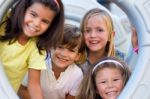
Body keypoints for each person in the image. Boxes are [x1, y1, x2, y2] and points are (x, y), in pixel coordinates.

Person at [0, 0, 64, 99]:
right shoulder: (4, 20)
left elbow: (34, 84)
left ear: (51, 27)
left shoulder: (37, 47)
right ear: (24, 10)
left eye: (45, 21)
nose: (36, 23)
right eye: (33, 14)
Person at [18, 24, 86, 99]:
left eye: (71, 50)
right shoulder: (38, 63)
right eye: (60, 47)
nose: (63, 54)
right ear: (50, 46)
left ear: (77, 56)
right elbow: (22, 89)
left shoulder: (77, 74)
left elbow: (71, 97)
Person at [79, 8, 125, 74]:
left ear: (111, 35)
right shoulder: (77, 59)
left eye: (100, 30)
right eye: (88, 30)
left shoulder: (121, 59)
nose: (93, 35)